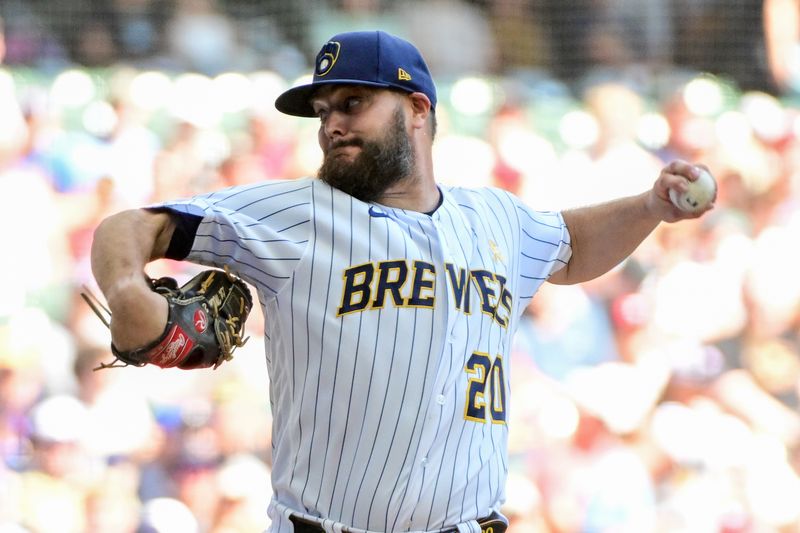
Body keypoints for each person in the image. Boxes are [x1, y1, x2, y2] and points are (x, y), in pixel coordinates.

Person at [90, 30, 714, 533]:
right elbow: (128, 228)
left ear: (417, 109)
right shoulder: (298, 213)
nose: (332, 123)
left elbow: (573, 247)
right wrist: (128, 296)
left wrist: (648, 208)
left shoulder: (496, 218)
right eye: (323, 111)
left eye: (353, 103)